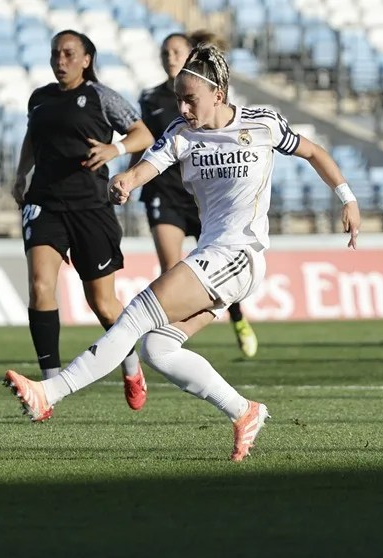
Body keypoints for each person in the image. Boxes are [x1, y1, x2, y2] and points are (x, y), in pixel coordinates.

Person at [4, 44, 361, 461]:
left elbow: (313, 151)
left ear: (218, 95)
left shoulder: (262, 123)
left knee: (137, 312)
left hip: (240, 254)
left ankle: (49, 392)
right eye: (179, 99)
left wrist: (347, 198)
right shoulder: (181, 133)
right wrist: (126, 181)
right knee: (159, 349)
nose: (184, 107)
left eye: (190, 99)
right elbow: (148, 165)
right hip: (216, 255)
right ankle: (244, 411)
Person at [11, 30, 155, 412]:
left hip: (91, 206)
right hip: (44, 202)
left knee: (103, 303)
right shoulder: (39, 99)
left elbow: (143, 133)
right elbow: (32, 138)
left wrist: (115, 148)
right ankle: (46, 388)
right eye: (56, 53)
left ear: (87, 59)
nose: (61, 60)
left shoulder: (99, 96)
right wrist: (20, 174)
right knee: (41, 284)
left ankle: (130, 364)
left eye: (69, 53)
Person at [136, 30, 258, 358]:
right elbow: (145, 139)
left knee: (216, 265)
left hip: (202, 195)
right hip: (163, 192)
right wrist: (133, 177)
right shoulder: (149, 98)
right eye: (165, 52)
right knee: (171, 267)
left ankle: (235, 315)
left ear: (191, 56)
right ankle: (167, 336)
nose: (170, 57)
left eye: (176, 51)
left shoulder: (208, 98)